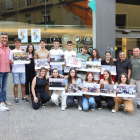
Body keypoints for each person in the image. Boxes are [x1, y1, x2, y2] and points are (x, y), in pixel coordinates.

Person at [10, 38, 29, 104]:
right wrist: (14, 61)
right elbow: (10, 61)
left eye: (19, 42)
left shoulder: (23, 52)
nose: (17, 44)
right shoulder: (12, 52)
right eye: (16, 42)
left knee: (23, 84)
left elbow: (27, 61)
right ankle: (16, 98)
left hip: (22, 70)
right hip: (15, 70)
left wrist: (28, 61)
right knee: (16, 84)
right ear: (14, 43)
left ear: (21, 43)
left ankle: (23, 97)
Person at [0, 33, 11, 111]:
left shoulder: (8, 48)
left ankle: (5, 100)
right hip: (0, 70)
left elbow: (11, 59)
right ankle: (1, 101)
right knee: (0, 87)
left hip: (6, 70)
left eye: (6, 38)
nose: (4, 39)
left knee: (4, 86)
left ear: (7, 39)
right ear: (0, 38)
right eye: (3, 37)